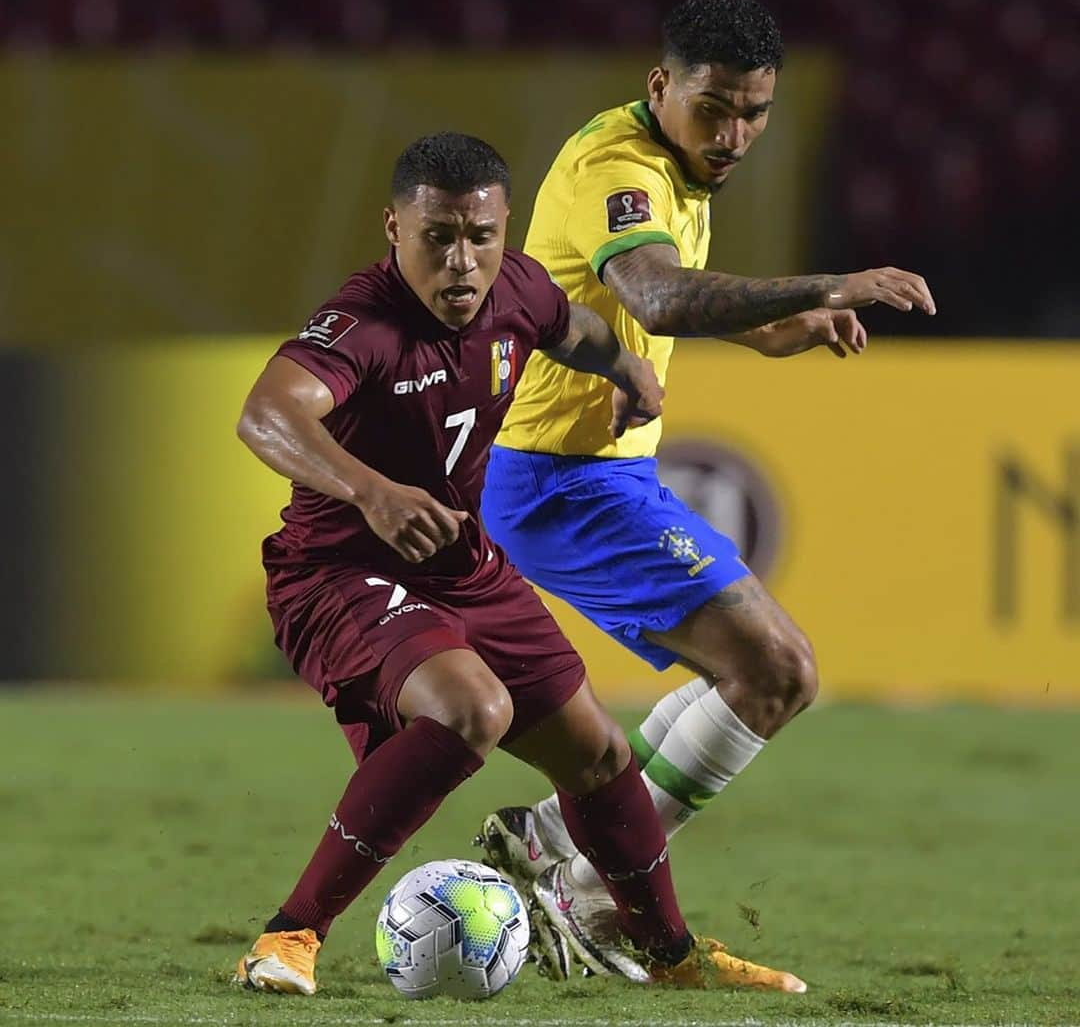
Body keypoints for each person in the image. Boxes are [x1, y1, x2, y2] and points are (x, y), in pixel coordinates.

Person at [230, 131, 805, 996]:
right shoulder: (365, 325)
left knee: (602, 757)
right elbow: (266, 415)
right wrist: (371, 492)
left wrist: (628, 372)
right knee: (474, 709)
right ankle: (289, 936)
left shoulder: (514, 288)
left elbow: (570, 326)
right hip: (339, 568)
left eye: (481, 237)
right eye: (438, 238)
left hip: (460, 560)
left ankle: (671, 958)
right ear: (392, 228)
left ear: (504, 231)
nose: (462, 263)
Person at [476, 0, 936, 979]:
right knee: (774, 674)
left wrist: (779, 329)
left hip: (598, 476)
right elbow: (656, 294)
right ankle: (595, 898)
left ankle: (555, 840)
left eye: (754, 113)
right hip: (559, 480)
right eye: (715, 107)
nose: (732, 135)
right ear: (661, 85)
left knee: (756, 676)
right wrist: (825, 285)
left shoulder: (679, 167)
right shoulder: (621, 168)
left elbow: (656, 300)